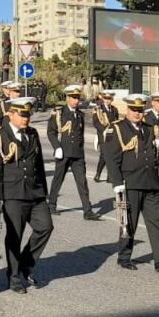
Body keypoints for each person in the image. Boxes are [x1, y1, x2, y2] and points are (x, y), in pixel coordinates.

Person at [104, 93, 159, 273]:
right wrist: (117, 182)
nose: (137, 113)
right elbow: (111, 158)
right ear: (127, 110)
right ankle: (124, 256)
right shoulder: (116, 129)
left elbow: (151, 157)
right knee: (129, 223)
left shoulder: (148, 128)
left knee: (155, 221)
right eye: (133, 110)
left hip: (150, 182)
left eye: (140, 110)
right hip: (129, 182)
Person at [0, 96, 53, 293]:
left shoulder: (32, 133)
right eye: (22, 115)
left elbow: (38, 163)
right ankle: (14, 277)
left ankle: (25, 264)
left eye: (28, 115)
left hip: (34, 191)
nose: (26, 119)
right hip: (13, 192)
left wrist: (44, 191)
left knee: (45, 227)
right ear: (11, 114)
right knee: (15, 236)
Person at [47, 84, 97, 219]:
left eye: (77, 98)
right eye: (73, 98)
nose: (76, 101)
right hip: (63, 152)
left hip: (77, 154)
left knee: (82, 182)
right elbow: (51, 132)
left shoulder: (80, 114)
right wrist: (57, 147)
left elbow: (80, 134)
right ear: (67, 98)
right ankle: (51, 204)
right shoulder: (59, 113)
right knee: (58, 179)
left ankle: (87, 211)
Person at [91, 90, 119, 183]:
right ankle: (98, 174)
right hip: (102, 135)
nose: (107, 100)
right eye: (106, 98)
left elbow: (116, 122)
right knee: (104, 155)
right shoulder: (98, 109)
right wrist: (104, 130)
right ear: (103, 99)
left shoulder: (114, 110)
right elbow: (95, 122)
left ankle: (109, 176)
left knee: (111, 155)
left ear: (112, 99)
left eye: (109, 99)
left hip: (112, 136)